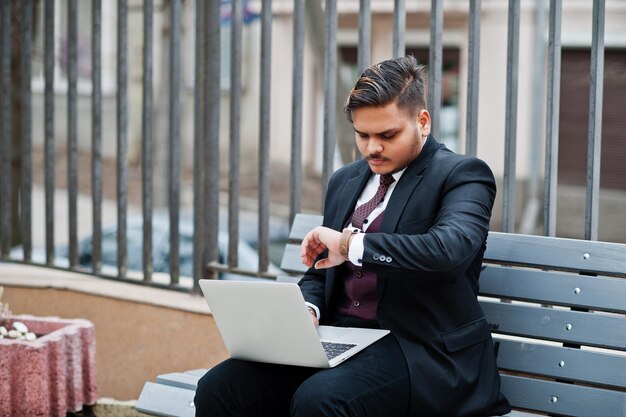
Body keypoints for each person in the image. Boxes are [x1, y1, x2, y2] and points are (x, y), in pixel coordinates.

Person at [194, 55, 511, 417]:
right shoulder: (345, 180)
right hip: (338, 340)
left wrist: (349, 244)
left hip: (419, 351)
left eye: (387, 135)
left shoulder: (462, 175)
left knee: (320, 400)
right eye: (363, 135)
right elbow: (319, 272)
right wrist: (307, 310)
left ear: (422, 122)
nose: (372, 148)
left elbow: (448, 252)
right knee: (220, 388)